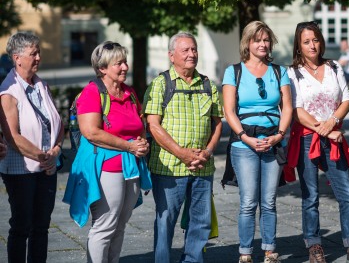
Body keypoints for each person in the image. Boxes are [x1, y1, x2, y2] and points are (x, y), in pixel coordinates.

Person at [285, 21, 349, 263]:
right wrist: (325, 130)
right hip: (308, 138)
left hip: (333, 138)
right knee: (310, 197)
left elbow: (346, 100)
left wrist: (333, 121)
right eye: (306, 41)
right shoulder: (291, 72)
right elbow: (296, 110)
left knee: (347, 194)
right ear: (298, 44)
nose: (312, 45)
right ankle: (315, 247)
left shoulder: (334, 67)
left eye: (315, 39)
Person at [63, 41, 152, 263]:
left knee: (121, 224)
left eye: (125, 62)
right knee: (105, 224)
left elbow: (139, 126)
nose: (125, 67)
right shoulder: (92, 93)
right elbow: (91, 132)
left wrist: (142, 142)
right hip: (105, 166)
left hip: (130, 165)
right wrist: (130, 146)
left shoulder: (129, 92)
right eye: (118, 63)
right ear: (102, 68)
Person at [143, 31, 223, 263]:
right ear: (171, 55)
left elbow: (217, 124)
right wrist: (183, 154)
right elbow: (153, 126)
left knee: (201, 222)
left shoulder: (208, 85)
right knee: (165, 220)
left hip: (202, 167)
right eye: (185, 50)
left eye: (194, 49)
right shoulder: (160, 84)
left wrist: (206, 153)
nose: (192, 54)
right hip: (169, 167)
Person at [221, 21, 292, 263]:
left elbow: (288, 108)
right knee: (249, 202)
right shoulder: (234, 71)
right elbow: (229, 110)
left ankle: (270, 250)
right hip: (244, 143)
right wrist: (244, 137)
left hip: (273, 139)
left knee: (269, 201)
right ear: (247, 43)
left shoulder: (279, 72)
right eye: (257, 39)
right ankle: (245, 252)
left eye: (266, 39)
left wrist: (279, 135)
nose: (262, 44)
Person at [0, 32, 64, 263]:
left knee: (42, 227)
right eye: (33, 53)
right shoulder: (8, 92)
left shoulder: (41, 86)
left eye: (39, 52)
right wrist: (41, 156)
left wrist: (55, 151)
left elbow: (58, 123)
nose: (38, 57)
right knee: (21, 226)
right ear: (17, 58)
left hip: (46, 166)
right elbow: (12, 136)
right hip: (21, 170)